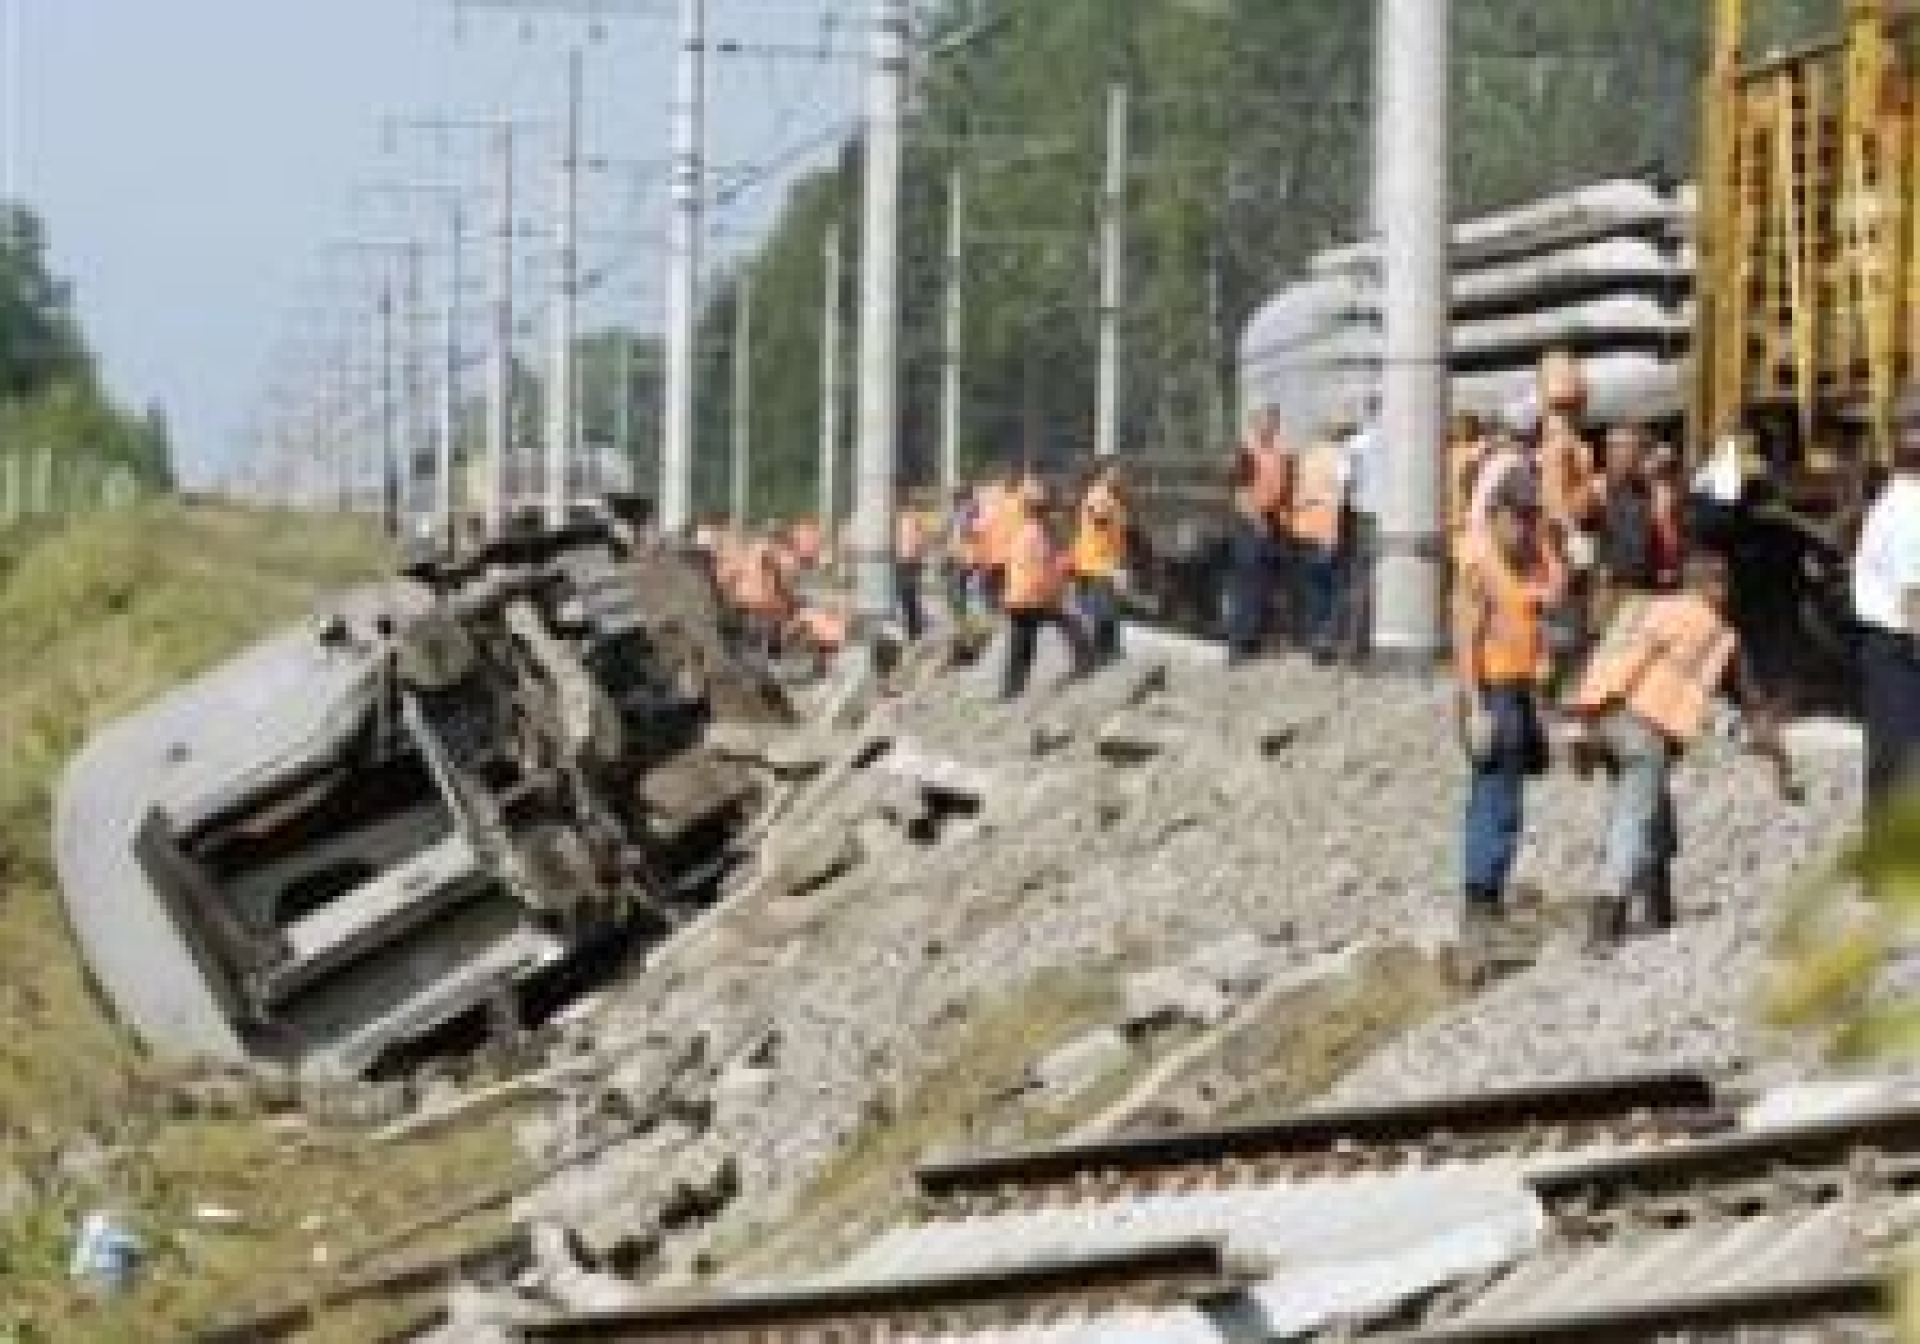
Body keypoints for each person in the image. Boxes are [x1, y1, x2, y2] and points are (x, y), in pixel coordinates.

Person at [1564, 551, 1788, 951]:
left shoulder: (1643, 609)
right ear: (1712, 587)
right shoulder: (1718, 632)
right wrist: (1779, 758)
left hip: (1605, 717)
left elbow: (1606, 659)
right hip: (1648, 727)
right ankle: (1607, 917)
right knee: (1634, 817)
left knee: (1650, 809)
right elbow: (1750, 697)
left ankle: (1659, 904)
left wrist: (1583, 721)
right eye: (1723, 587)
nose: (1726, 595)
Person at [1453, 472, 1562, 967]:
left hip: (1520, 689)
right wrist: (1473, 705)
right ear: (1495, 515)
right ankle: (1480, 896)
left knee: (1510, 793)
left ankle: (1491, 891)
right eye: (1517, 517)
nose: (1524, 527)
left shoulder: (1531, 559)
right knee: (1494, 790)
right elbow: (1466, 638)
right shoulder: (1480, 563)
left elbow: (1544, 615)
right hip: (1493, 690)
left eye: (1529, 517)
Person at [1852, 387, 1920, 820]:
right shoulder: (1910, 507)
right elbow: (1915, 598)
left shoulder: (1893, 501)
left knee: (1892, 754)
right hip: (1902, 648)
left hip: (1889, 646)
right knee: (1902, 757)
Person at [1002, 478, 1092, 700]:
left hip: (1017, 596)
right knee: (1071, 624)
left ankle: (1013, 688)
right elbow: (1045, 568)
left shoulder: (1023, 532)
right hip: (1033, 596)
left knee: (1022, 643)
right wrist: (1065, 571)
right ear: (1042, 511)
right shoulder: (1038, 535)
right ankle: (1086, 663)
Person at [1224, 409, 1291, 661]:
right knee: (1247, 584)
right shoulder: (1246, 453)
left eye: (1274, 422)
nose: (1271, 426)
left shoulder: (1279, 454)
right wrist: (1257, 522)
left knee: (1267, 584)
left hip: (1273, 522)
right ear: (1255, 425)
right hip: (1251, 523)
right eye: (1266, 422)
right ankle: (1238, 645)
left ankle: (1257, 640)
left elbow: (1283, 489)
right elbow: (1240, 493)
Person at [1289, 417, 1352, 662]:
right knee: (1332, 589)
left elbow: (1301, 490)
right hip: (1328, 528)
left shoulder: (1309, 455)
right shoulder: (1340, 458)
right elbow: (1344, 493)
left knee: (1313, 587)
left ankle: (1312, 638)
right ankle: (1324, 644)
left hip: (1304, 528)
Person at [1070, 462, 1129, 664]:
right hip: (1098, 560)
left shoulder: (1109, 496)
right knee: (1103, 608)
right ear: (1104, 474)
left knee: (1106, 607)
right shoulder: (1100, 495)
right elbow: (1099, 519)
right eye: (1115, 471)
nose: (1119, 475)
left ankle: (1107, 649)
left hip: (1105, 559)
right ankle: (1103, 651)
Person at [895, 503, 928, 642]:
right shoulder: (903, 520)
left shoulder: (913, 520)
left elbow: (918, 541)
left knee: (909, 595)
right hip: (905, 560)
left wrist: (916, 556)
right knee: (907, 595)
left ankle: (914, 629)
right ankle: (913, 628)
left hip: (910, 561)